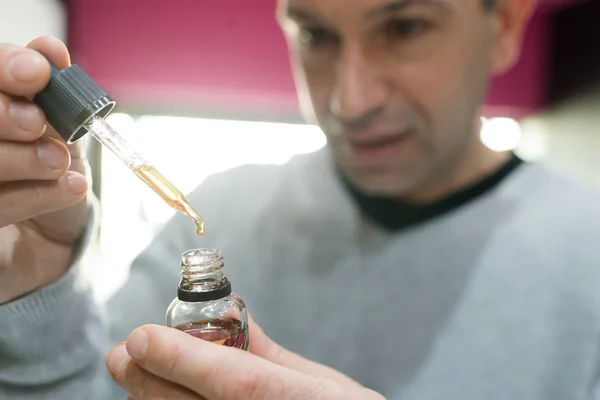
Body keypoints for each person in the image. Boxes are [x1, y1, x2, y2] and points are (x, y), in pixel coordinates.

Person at [2, 0, 600, 398]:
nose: (350, 100)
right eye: (316, 34)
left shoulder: (587, 252)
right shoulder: (222, 212)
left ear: (505, 26)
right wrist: (36, 285)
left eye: (404, 27)